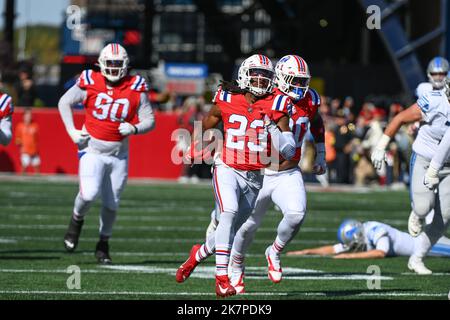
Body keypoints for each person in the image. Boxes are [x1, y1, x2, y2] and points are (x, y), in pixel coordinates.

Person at [175, 54, 296, 297]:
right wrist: (195, 141)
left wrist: (272, 127)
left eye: (265, 76)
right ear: (244, 75)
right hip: (227, 166)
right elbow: (209, 120)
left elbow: (290, 149)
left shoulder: (278, 103)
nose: (261, 80)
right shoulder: (227, 97)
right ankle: (222, 279)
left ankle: (195, 256)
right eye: (256, 75)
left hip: (255, 176)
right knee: (228, 212)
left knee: (228, 230)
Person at [228, 55, 325, 292]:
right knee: (247, 226)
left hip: (288, 172)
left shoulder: (310, 99)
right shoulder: (266, 97)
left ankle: (274, 251)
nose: (300, 86)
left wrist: (320, 153)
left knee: (296, 214)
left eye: (303, 81)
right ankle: (236, 265)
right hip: (258, 172)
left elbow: (317, 122)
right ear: (280, 77)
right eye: (294, 80)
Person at [58, 43, 155, 264]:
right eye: (109, 63)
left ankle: (103, 244)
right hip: (92, 149)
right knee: (89, 194)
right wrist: (72, 131)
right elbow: (64, 102)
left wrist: (135, 128)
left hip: (119, 154)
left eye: (117, 64)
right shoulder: (90, 81)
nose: (113, 68)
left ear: (125, 65)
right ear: (101, 64)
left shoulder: (135, 86)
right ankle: (76, 221)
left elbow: (150, 120)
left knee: (112, 203)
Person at [371, 74, 450, 274]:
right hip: (425, 158)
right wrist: (381, 146)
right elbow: (400, 118)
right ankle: (417, 212)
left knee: (444, 219)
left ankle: (416, 258)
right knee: (424, 208)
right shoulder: (434, 100)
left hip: (448, 167)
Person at [407, 57, 449, 236]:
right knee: (424, 201)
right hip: (428, 144)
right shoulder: (424, 90)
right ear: (428, 75)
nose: (438, 77)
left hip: (446, 151)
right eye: (435, 73)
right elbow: (416, 112)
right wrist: (415, 124)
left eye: (442, 74)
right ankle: (418, 211)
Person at [286, 219, 450, 259]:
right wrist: (306, 251)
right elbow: (335, 249)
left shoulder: (374, 230)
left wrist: (349, 256)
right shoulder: (360, 234)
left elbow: (380, 252)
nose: (352, 247)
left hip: (425, 245)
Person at [15, 108, 40, 174]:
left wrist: (37, 149)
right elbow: (17, 139)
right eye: (27, 115)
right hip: (25, 151)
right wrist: (20, 146)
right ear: (23, 116)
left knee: (37, 166)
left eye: (30, 115)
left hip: (34, 150)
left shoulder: (35, 126)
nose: (28, 117)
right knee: (24, 166)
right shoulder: (20, 126)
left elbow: (36, 139)